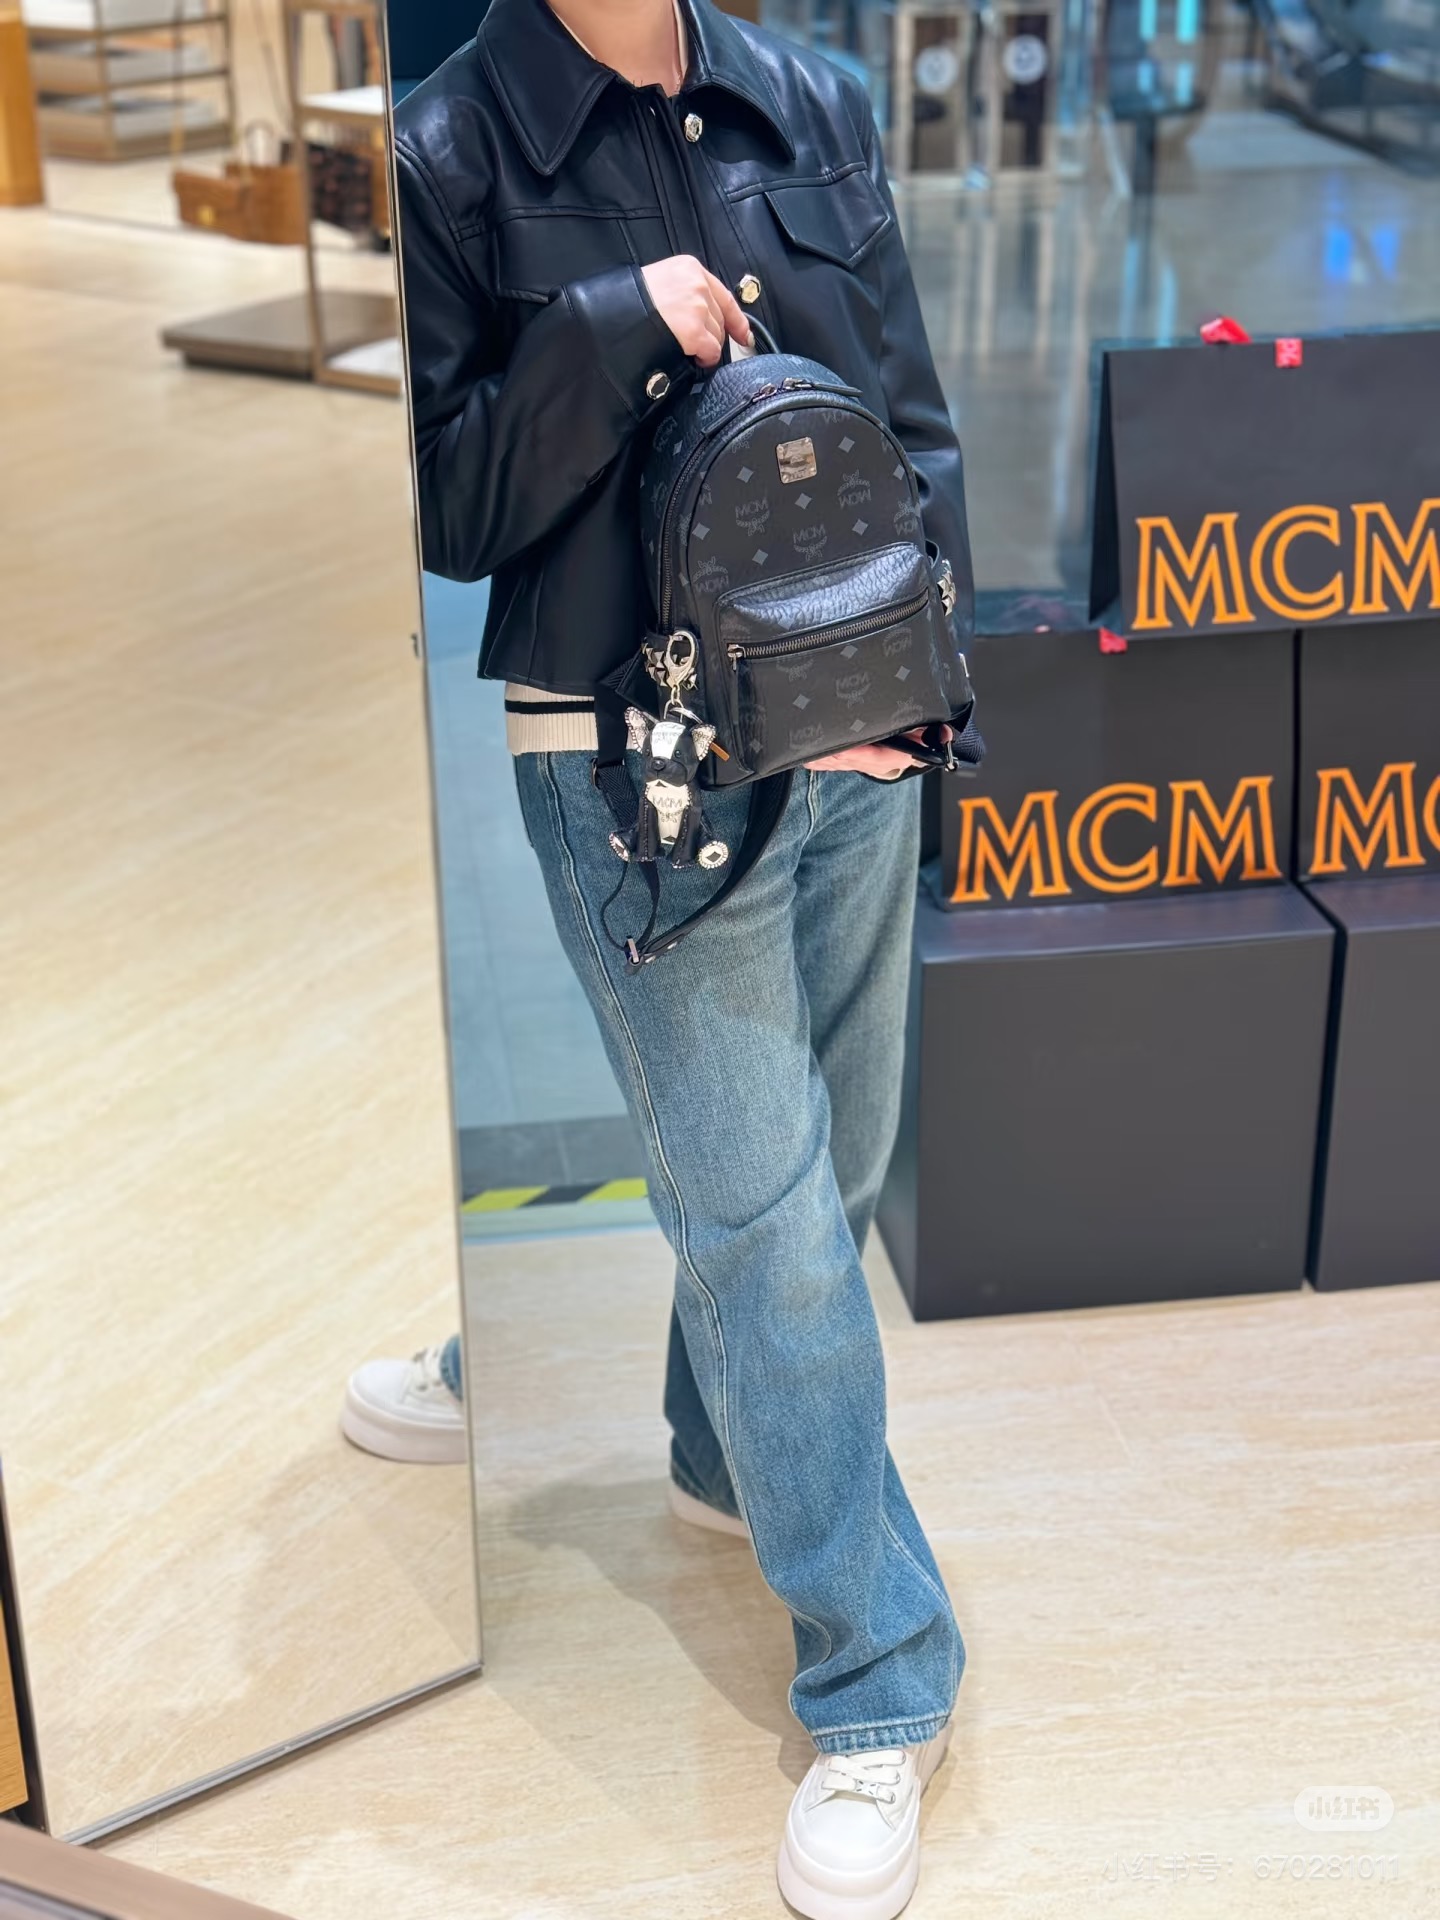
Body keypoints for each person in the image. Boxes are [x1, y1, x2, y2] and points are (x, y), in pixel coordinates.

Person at [347, 1, 973, 1912]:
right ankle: (881, 1675)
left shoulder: (811, 99)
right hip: (632, 767)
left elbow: (911, 419)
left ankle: (723, 1447)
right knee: (767, 1222)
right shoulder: (449, 152)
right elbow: (452, 506)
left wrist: (926, 686)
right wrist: (618, 326)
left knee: (824, 1172)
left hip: (852, 731)